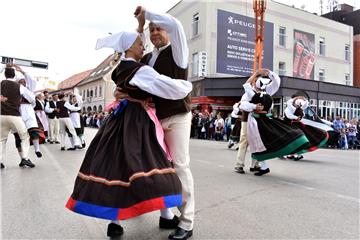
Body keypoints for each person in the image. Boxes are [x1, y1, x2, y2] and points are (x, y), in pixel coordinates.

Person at [66, 31, 193, 238]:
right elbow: (167, 87)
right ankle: (167, 214)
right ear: (129, 47)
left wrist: (141, 25)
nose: (143, 46)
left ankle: (115, 222)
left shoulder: (120, 68)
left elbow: (128, 85)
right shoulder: (140, 70)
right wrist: (186, 87)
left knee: (117, 167)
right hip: (137, 121)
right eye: (139, 43)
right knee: (156, 163)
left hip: (119, 119)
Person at [135, 6, 194, 240]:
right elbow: (134, 51)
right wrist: (141, 26)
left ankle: (187, 223)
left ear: (167, 31)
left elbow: (177, 26)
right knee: (158, 168)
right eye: (152, 30)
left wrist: (147, 14)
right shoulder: (148, 57)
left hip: (177, 116)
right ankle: (166, 214)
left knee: (180, 166)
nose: (156, 32)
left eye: (159, 28)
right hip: (155, 119)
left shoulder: (178, 52)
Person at [241, 69, 309, 176]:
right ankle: (254, 165)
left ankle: (263, 167)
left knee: (257, 144)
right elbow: (277, 81)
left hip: (255, 121)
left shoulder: (254, 94)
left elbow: (246, 89)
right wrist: (270, 73)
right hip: (265, 120)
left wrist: (259, 74)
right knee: (258, 144)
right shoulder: (266, 95)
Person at [1, 64, 35, 169]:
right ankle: (24, 158)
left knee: (2, 139)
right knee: (24, 136)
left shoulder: (0, 84)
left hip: (1, 115)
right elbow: (31, 98)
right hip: (15, 115)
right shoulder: (19, 87)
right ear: (14, 75)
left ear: (4, 74)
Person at [283, 91, 328, 160]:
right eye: (295, 99)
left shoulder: (300, 108)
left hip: (296, 126)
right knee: (292, 141)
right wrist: (296, 117)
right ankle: (292, 154)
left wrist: (303, 99)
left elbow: (303, 110)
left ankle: (297, 154)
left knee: (298, 140)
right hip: (290, 125)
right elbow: (289, 115)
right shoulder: (289, 108)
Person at [233, 71, 262, 174]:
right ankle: (239, 164)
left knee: (258, 142)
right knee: (244, 141)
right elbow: (242, 105)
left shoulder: (263, 93)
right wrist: (254, 107)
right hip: (246, 120)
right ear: (254, 81)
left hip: (258, 121)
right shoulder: (248, 93)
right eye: (258, 80)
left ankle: (255, 165)